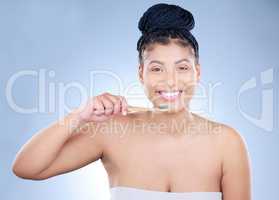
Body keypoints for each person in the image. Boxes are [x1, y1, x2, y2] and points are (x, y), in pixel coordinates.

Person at [12, 3, 251, 200]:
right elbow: (27, 168)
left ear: (197, 73)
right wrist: (77, 116)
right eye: (157, 68)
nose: (170, 81)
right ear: (141, 74)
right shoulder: (112, 131)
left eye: (182, 67)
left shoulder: (227, 143)